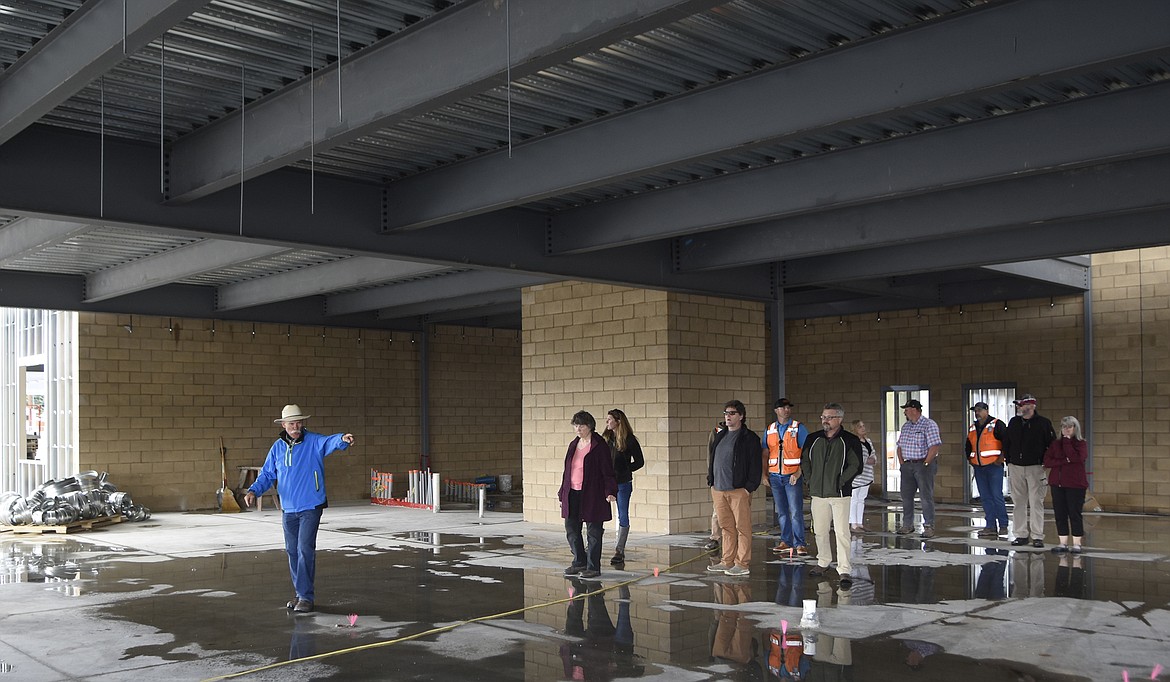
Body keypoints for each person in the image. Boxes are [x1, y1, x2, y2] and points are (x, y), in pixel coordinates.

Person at [245, 404, 355, 613]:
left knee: (305, 549)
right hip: (288, 509)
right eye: (291, 423)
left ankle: (306, 596)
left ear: (302, 423)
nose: (295, 426)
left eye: (298, 422)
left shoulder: (313, 441)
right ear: (284, 425)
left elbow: (329, 442)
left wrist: (341, 439)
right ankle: (300, 594)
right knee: (292, 551)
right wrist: (253, 491)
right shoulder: (277, 447)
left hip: (310, 506)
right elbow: (268, 474)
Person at [801, 403, 863, 587]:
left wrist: (841, 481)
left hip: (840, 494)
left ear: (840, 419)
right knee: (819, 530)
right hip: (818, 493)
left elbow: (856, 465)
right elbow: (805, 460)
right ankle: (823, 562)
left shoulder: (850, 440)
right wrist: (809, 479)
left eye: (829, 417)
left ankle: (844, 569)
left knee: (842, 532)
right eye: (823, 417)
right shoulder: (813, 439)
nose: (825, 420)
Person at [559, 410, 618, 579]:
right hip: (572, 492)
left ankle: (593, 566)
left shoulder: (599, 446)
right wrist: (562, 493)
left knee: (594, 531)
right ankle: (579, 561)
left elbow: (608, 471)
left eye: (581, 426)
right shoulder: (573, 445)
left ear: (590, 427)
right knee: (571, 529)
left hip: (593, 494)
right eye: (576, 425)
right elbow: (567, 471)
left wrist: (610, 491)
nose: (578, 429)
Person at [706, 400, 762, 576]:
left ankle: (742, 564)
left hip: (738, 490)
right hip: (719, 489)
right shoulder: (720, 436)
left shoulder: (749, 438)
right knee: (726, 527)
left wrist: (748, 488)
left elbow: (755, 465)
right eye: (725, 413)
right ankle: (727, 561)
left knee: (742, 528)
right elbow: (713, 458)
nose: (727, 416)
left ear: (741, 416)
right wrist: (711, 482)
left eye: (731, 413)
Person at [1004, 394, 1056, 548]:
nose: (1019, 408)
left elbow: (1051, 445)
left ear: (1032, 406)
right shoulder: (1013, 422)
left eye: (1022, 405)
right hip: (1016, 467)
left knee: (1036, 502)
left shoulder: (1043, 423)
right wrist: (1009, 459)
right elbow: (1007, 442)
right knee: (1018, 502)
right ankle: (1020, 535)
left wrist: (1045, 462)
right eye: (1018, 405)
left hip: (1036, 467)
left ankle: (1037, 536)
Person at [763, 398, 810, 557]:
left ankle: (800, 543)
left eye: (788, 407)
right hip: (775, 476)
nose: (786, 410)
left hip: (792, 476)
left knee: (795, 511)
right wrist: (764, 474)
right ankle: (786, 541)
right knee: (782, 511)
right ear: (776, 411)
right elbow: (765, 453)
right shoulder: (770, 429)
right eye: (783, 408)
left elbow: (807, 452)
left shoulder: (798, 428)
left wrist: (799, 472)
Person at [602, 408, 645, 565]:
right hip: (606, 482)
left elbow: (640, 462)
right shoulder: (605, 438)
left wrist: (626, 470)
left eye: (609, 419)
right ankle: (591, 546)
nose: (607, 422)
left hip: (622, 482)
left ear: (618, 421)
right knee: (597, 510)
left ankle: (619, 549)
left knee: (622, 514)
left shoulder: (629, 440)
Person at [895, 399, 942, 538]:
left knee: (925, 497)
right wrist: (902, 463)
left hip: (923, 465)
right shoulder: (906, 426)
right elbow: (900, 446)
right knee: (906, 497)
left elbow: (934, 446)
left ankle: (928, 526)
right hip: (907, 465)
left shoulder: (929, 425)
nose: (905, 411)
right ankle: (907, 525)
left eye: (907, 409)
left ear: (914, 410)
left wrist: (926, 463)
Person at [1044, 416, 1089, 553]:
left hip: (1075, 484)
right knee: (1060, 513)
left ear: (1075, 428)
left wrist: (1068, 443)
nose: (1067, 429)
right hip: (1057, 484)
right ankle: (1062, 543)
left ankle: (1076, 543)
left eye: (1070, 427)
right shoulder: (1055, 444)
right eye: (1064, 427)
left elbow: (1077, 458)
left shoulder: (1080, 443)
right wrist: (1065, 460)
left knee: (1074, 513)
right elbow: (1047, 461)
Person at [965, 402, 1009, 538]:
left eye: (979, 410)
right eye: (975, 411)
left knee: (996, 496)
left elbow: (1007, 442)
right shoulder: (973, 427)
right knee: (985, 497)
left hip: (994, 466)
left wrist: (1001, 459)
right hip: (979, 467)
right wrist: (971, 461)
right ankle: (990, 525)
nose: (977, 413)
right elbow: (968, 446)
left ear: (986, 410)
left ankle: (1003, 525)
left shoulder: (997, 424)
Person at [848, 419, 877, 534]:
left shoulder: (868, 441)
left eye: (863, 425)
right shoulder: (853, 442)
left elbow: (873, 455)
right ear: (855, 429)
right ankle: (853, 524)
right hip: (856, 476)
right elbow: (857, 458)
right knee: (854, 499)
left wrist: (872, 460)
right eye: (860, 427)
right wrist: (867, 460)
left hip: (867, 474)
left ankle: (859, 523)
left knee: (861, 499)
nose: (863, 428)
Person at [705, 418, 727, 552]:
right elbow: (710, 455)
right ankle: (715, 538)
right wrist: (711, 475)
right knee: (717, 511)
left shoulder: (742, 433)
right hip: (719, 478)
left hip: (735, 480)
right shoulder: (716, 432)